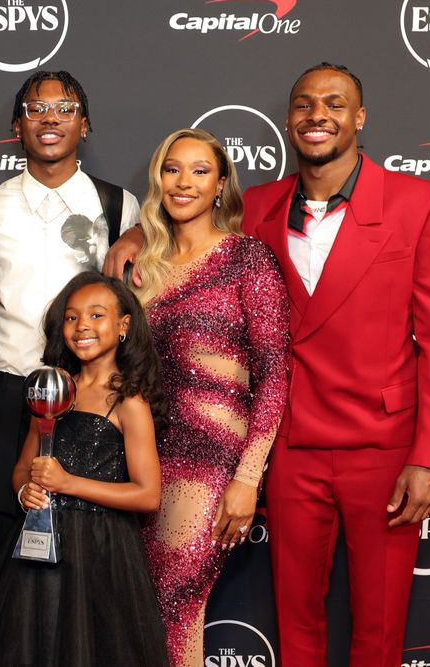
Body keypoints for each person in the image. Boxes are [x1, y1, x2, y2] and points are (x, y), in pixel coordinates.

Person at [244, 64, 430, 666]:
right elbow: (179, 230)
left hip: (386, 449)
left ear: (359, 118)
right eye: (304, 104)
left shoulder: (421, 203)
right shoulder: (255, 207)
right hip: (293, 446)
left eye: (335, 103)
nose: (317, 114)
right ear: (289, 119)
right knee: (295, 620)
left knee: (379, 627)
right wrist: (134, 236)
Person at [0, 71, 140, 550]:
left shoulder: (120, 205)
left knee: (87, 543)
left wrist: (140, 232)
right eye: (36, 109)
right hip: (13, 393)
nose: (50, 119)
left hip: (92, 402)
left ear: (85, 126)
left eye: (65, 109)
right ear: (17, 127)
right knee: (9, 544)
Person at [0, 271, 169, 667]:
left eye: (96, 315)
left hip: (102, 553)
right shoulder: (51, 388)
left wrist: (68, 483)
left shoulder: (128, 400)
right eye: (71, 317)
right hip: (39, 554)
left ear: (124, 326)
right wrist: (25, 491)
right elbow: (22, 470)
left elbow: (147, 494)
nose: (82, 325)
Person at [134, 129, 290, 666]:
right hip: (142, 459)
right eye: (172, 169)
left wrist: (248, 478)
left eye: (200, 171)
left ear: (221, 184)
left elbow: (273, 375)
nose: (184, 182)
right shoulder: (144, 268)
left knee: (175, 602)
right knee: (149, 611)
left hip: (213, 466)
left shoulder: (248, 258)